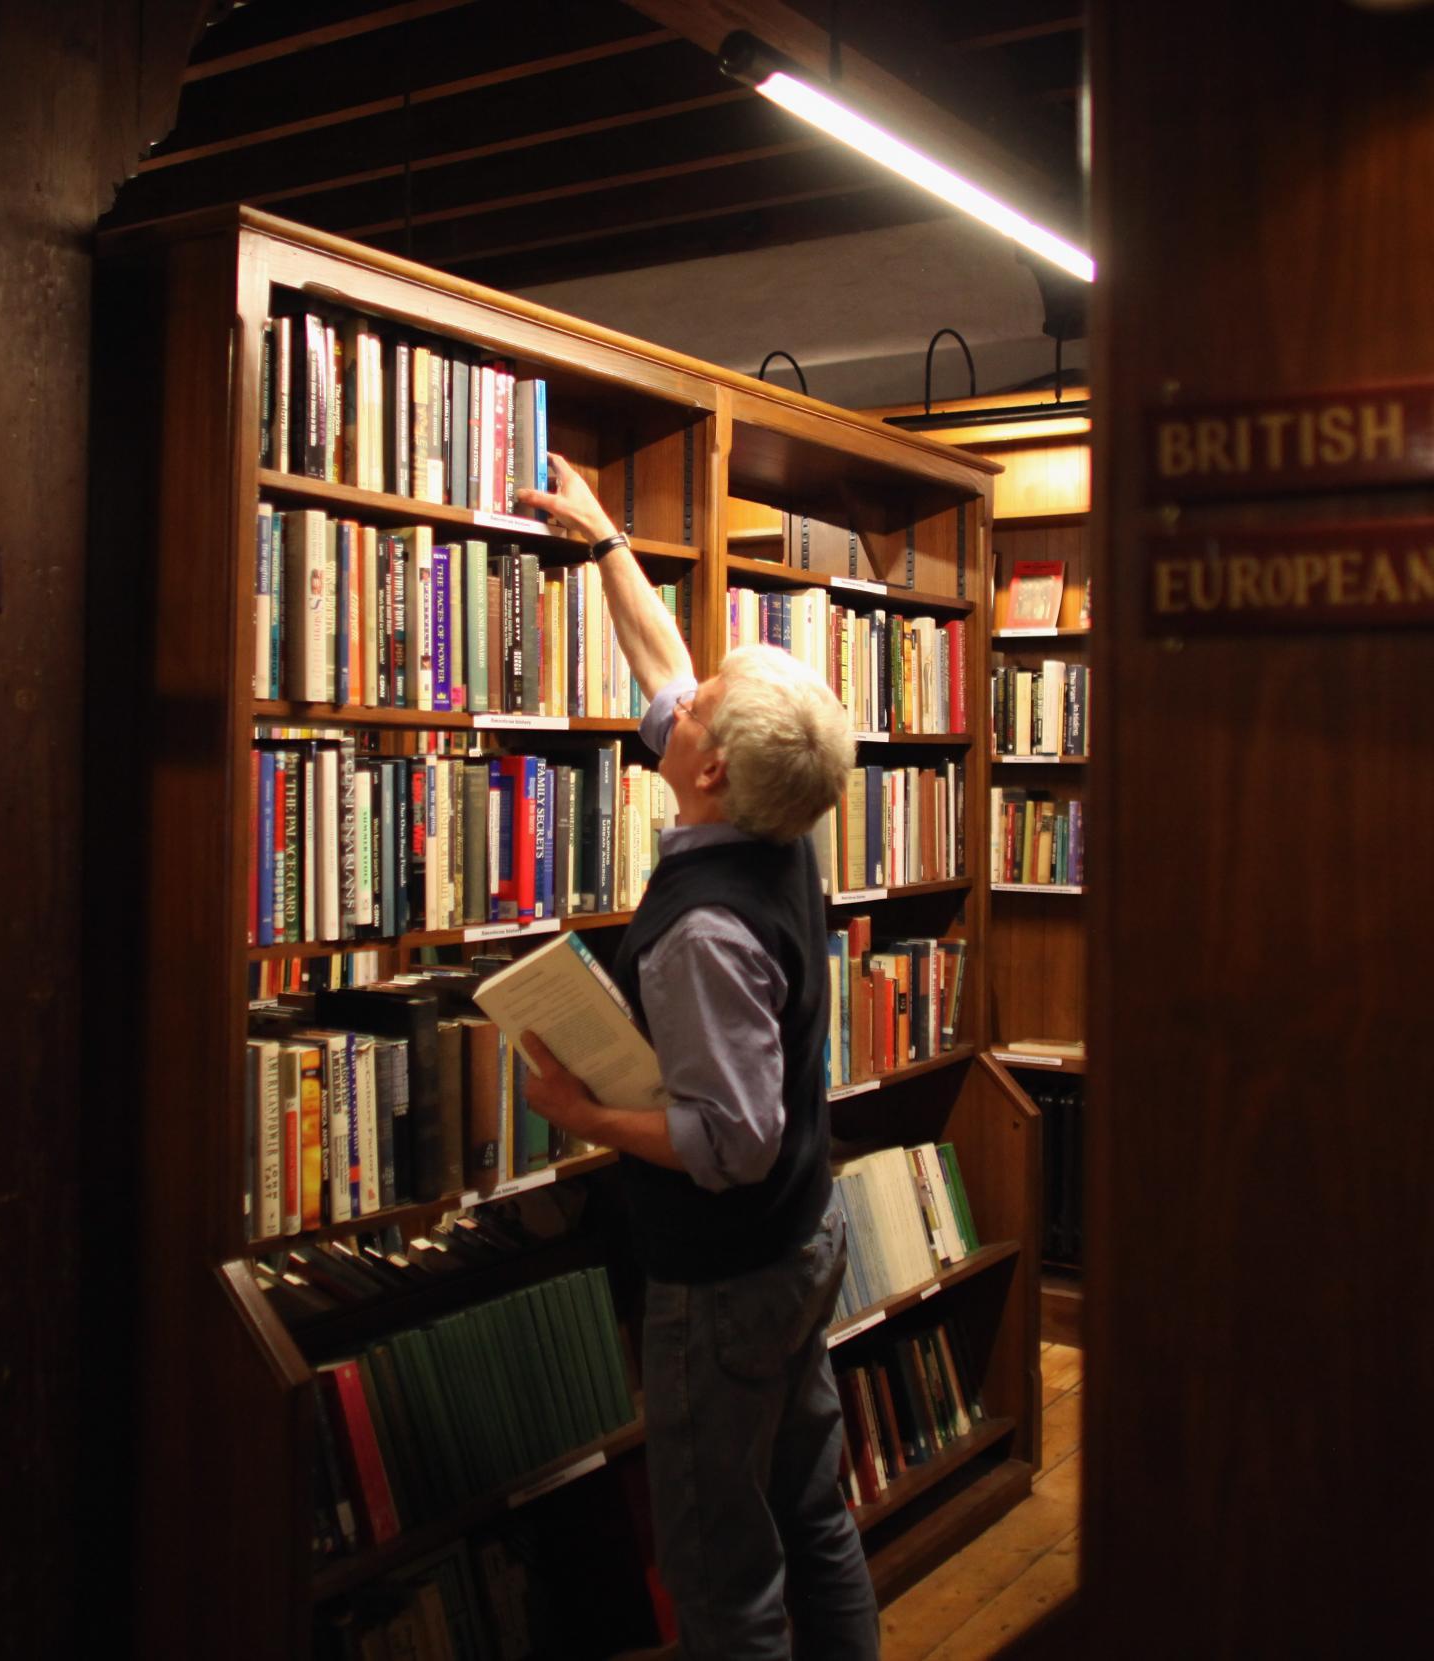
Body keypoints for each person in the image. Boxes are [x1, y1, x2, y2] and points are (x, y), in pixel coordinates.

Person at [512, 454, 876, 1661]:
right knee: (812, 1510)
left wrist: (584, 1111)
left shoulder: (706, 928)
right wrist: (606, 539)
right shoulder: (770, 822)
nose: (688, 698)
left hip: (729, 1275)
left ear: (710, 767)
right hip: (802, 1235)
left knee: (723, 1574)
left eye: (708, 707)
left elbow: (727, 1142)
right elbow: (664, 662)